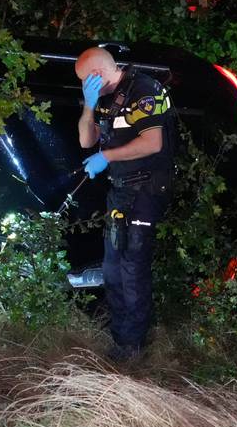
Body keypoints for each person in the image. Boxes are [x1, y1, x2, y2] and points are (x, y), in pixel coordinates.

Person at [75, 46, 175, 361]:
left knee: (132, 268)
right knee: (112, 268)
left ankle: (132, 348)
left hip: (146, 189)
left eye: (86, 82)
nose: (84, 87)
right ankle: (120, 339)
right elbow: (85, 141)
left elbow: (152, 142)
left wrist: (107, 156)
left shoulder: (143, 90)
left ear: (98, 74)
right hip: (119, 192)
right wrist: (89, 107)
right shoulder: (103, 98)